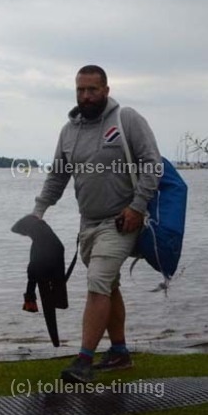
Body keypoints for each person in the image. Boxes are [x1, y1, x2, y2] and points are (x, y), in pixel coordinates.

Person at [31, 65, 162, 383]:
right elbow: (58, 176)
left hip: (122, 221)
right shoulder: (68, 130)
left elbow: (152, 164)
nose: (86, 96)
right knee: (109, 285)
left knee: (98, 281)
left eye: (92, 89)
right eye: (80, 90)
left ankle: (83, 360)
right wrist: (38, 213)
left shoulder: (126, 119)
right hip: (87, 223)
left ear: (106, 89)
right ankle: (119, 353)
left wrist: (137, 207)